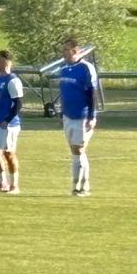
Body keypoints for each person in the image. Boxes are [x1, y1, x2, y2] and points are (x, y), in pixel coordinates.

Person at [55, 38, 100, 196]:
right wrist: (61, 111)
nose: (64, 53)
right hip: (68, 115)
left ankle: (78, 186)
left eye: (66, 50)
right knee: (75, 151)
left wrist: (92, 116)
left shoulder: (86, 68)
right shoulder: (64, 69)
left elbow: (92, 92)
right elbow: (64, 93)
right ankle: (83, 184)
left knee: (79, 149)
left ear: (75, 51)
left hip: (82, 116)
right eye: (63, 50)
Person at [0, 50, 24, 194]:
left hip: (9, 125)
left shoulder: (12, 80)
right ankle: (3, 182)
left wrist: (7, 120)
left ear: (6, 62)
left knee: (9, 154)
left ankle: (15, 185)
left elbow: (18, 103)